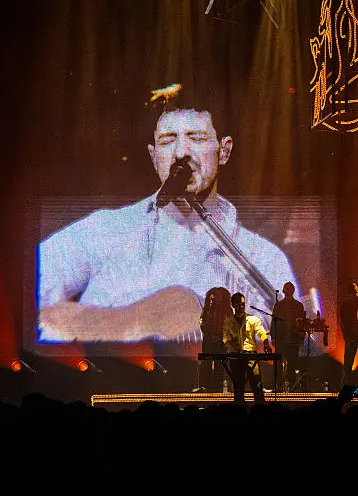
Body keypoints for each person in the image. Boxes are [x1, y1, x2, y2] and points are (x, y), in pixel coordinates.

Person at [37, 84, 298, 342]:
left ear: (224, 150)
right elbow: (24, 300)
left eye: (196, 138)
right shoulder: (104, 229)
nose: (181, 153)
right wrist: (133, 324)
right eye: (167, 141)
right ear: (154, 156)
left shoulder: (264, 259)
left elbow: (292, 349)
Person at [222, 292, 274, 403]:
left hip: (251, 355)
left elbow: (261, 332)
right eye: (238, 304)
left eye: (242, 304)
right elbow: (226, 339)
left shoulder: (253, 319)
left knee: (256, 384)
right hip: (236, 357)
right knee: (238, 386)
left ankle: (260, 408)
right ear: (233, 305)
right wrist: (234, 349)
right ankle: (240, 410)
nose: (240, 307)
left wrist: (266, 344)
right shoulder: (228, 322)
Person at [271, 281, 306, 391]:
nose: (288, 290)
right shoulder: (279, 305)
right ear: (283, 290)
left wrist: (301, 335)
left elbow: (302, 322)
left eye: (290, 288)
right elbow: (274, 321)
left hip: (293, 339)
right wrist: (273, 336)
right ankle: (278, 385)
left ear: (293, 290)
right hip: (281, 338)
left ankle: (291, 385)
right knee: (278, 363)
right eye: (286, 288)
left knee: (292, 364)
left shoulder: (298, 305)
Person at [197, 286, 232, 392]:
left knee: (220, 364)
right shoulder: (207, 308)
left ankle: (218, 386)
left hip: (221, 340)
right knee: (206, 363)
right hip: (208, 339)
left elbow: (230, 325)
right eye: (213, 294)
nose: (215, 297)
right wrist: (207, 331)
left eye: (217, 295)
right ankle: (204, 385)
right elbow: (202, 321)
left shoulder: (227, 309)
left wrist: (223, 337)